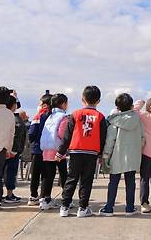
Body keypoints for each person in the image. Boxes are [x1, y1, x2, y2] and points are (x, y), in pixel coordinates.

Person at [57, 86, 107, 218]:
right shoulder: (101, 117)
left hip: (75, 150)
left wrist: (60, 152)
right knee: (86, 180)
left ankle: (64, 207)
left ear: (82, 99)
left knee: (71, 179)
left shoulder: (74, 114)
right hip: (92, 152)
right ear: (98, 101)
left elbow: (67, 136)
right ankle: (83, 208)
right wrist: (101, 154)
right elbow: (103, 138)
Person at [99, 93, 143, 217]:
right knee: (131, 182)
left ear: (117, 107)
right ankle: (130, 208)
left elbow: (110, 141)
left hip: (117, 156)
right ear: (131, 106)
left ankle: (109, 208)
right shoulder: (137, 119)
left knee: (113, 182)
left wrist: (105, 156)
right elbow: (142, 137)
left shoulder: (114, 121)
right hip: (132, 156)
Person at [39, 93, 69, 210]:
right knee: (63, 175)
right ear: (63, 104)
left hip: (46, 149)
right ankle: (66, 199)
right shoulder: (63, 117)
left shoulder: (50, 116)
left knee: (48, 176)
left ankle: (45, 200)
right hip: (58, 150)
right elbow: (62, 134)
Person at [27, 92, 52, 206]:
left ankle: (33, 196)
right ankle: (45, 196)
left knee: (35, 175)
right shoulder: (53, 117)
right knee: (47, 175)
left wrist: (33, 141)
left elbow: (31, 134)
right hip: (49, 150)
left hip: (37, 149)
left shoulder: (38, 116)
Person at [4, 94, 28, 204]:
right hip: (13, 152)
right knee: (11, 172)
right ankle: (9, 195)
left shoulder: (2, 116)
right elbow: (18, 136)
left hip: (0, 149)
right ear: (14, 105)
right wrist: (14, 150)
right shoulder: (15, 118)